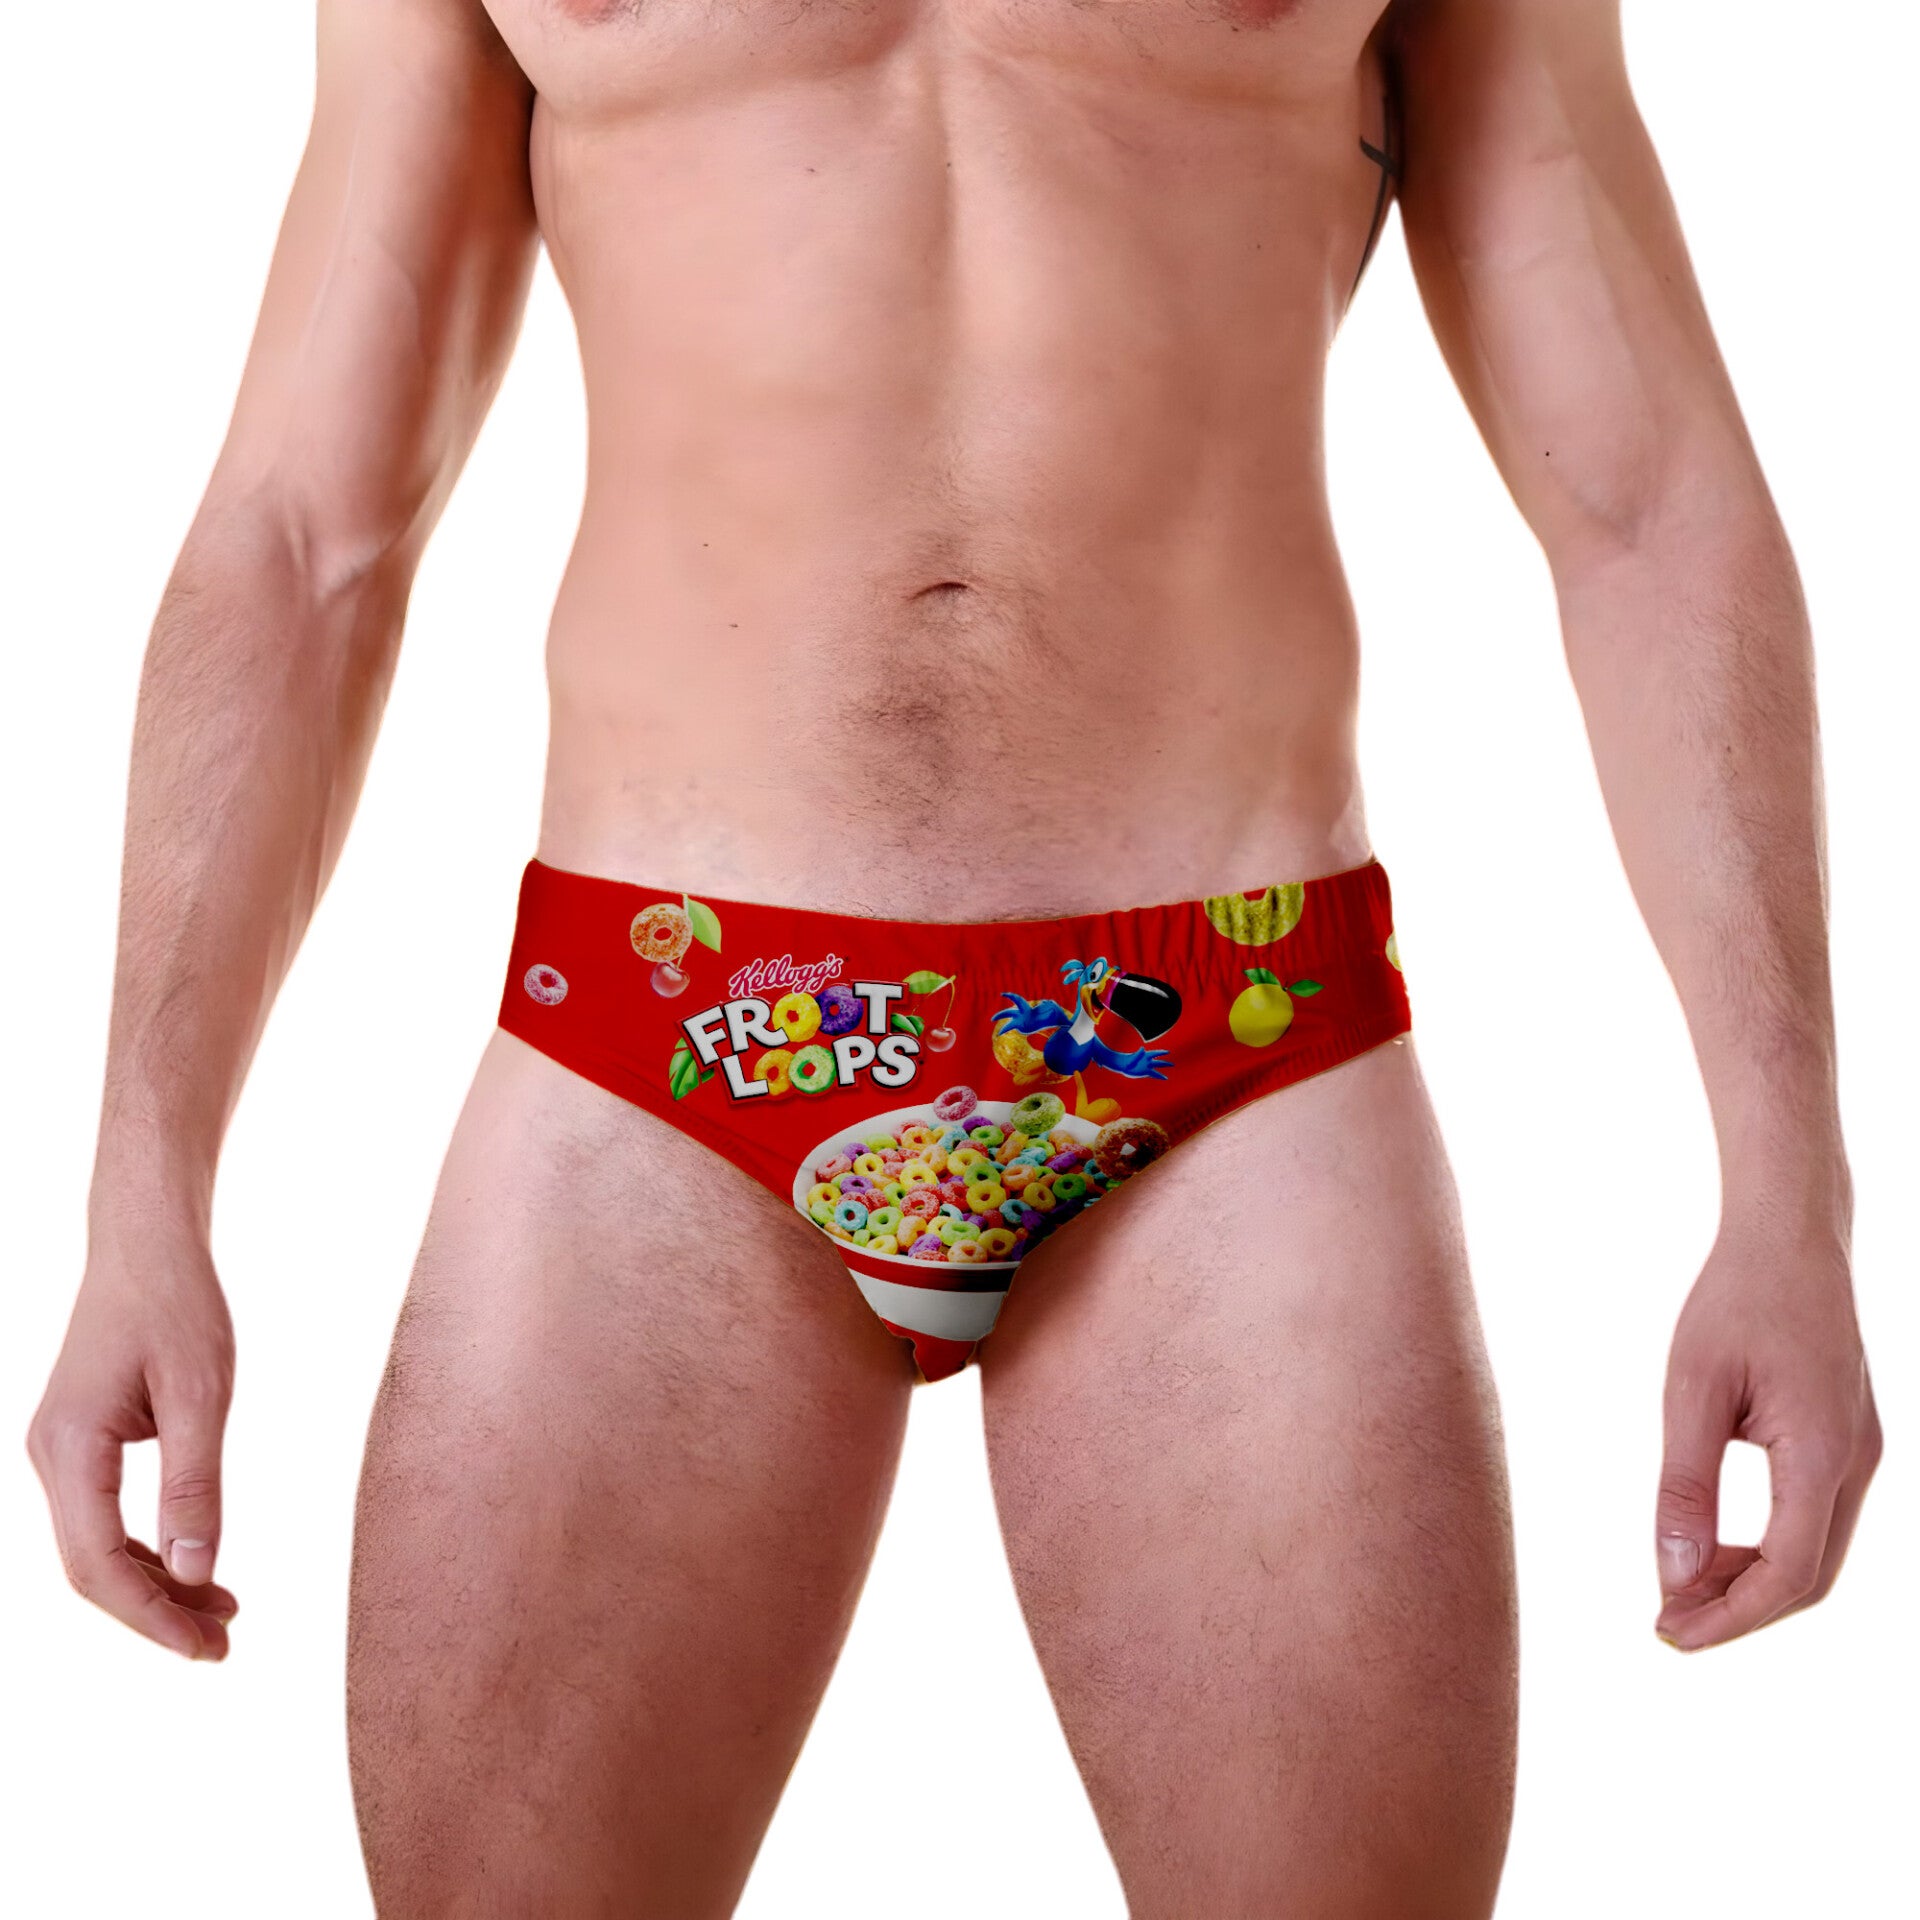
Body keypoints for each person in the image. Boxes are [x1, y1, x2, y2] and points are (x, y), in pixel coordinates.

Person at [27, 0, 1882, 1912]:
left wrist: (1787, 1197)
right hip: (667, 1026)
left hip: (1228, 1028)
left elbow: (1645, 504)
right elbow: (302, 535)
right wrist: (141, 1190)